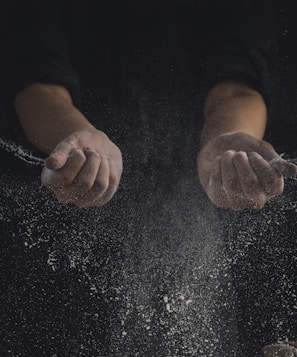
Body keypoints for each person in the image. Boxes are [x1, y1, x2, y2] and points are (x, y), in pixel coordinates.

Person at [5, 0, 297, 211]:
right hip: (63, 199)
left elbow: (238, 84)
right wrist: (75, 138)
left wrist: (228, 140)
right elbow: (37, 80)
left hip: (203, 194)